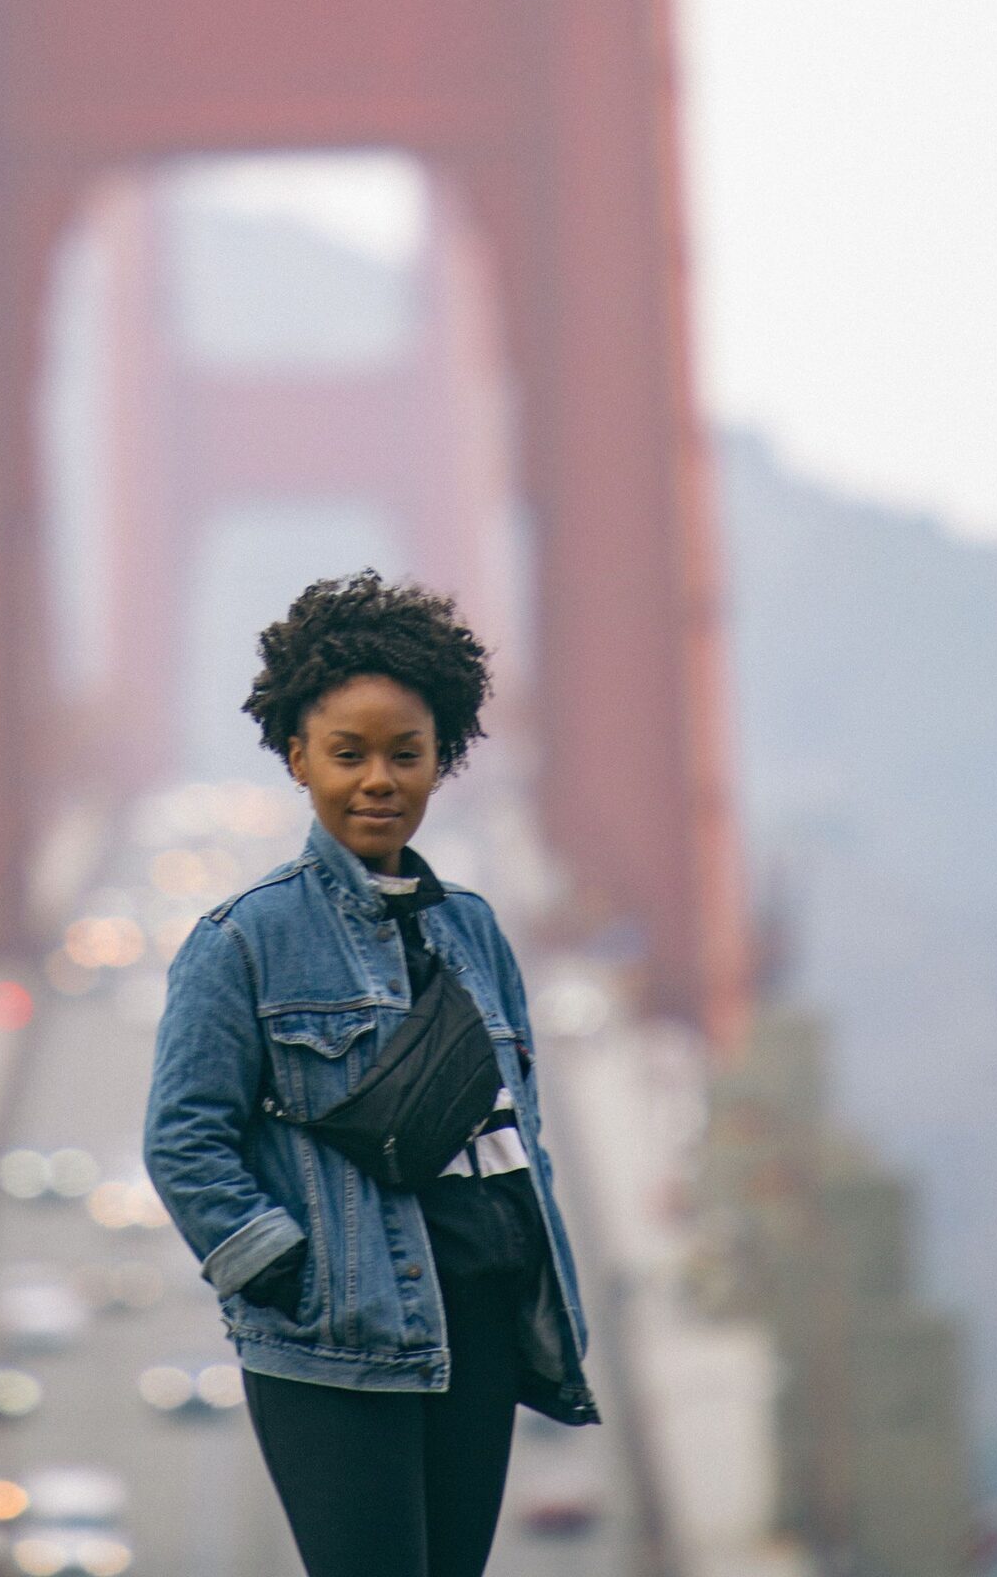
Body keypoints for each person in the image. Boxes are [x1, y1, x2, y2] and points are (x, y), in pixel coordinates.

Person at [143, 570, 599, 1577]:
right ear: (298, 757)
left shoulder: (474, 929)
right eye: (348, 754)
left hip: (474, 1323)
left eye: (407, 752)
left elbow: (520, 1124)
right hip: (337, 1341)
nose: (379, 779)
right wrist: (292, 1273)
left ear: (445, 759)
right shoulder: (242, 940)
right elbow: (184, 1139)